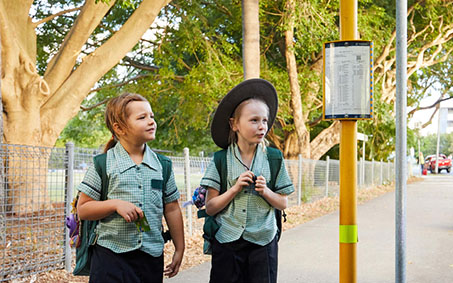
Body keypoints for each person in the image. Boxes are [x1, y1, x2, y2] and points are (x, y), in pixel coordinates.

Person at [76, 93, 184, 282]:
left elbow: (172, 208)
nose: (151, 121)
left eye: (151, 116)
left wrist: (180, 248)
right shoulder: (103, 164)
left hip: (150, 259)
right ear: (119, 128)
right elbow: (83, 209)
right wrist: (115, 204)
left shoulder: (163, 166)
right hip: (110, 258)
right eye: (142, 117)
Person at [201, 78, 295, 283]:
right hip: (227, 242)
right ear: (234, 124)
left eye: (264, 120)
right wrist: (234, 189)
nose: (261, 126)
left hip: (263, 243)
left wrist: (266, 192)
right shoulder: (220, 160)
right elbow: (210, 207)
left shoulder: (273, 158)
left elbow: (283, 202)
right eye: (254, 120)